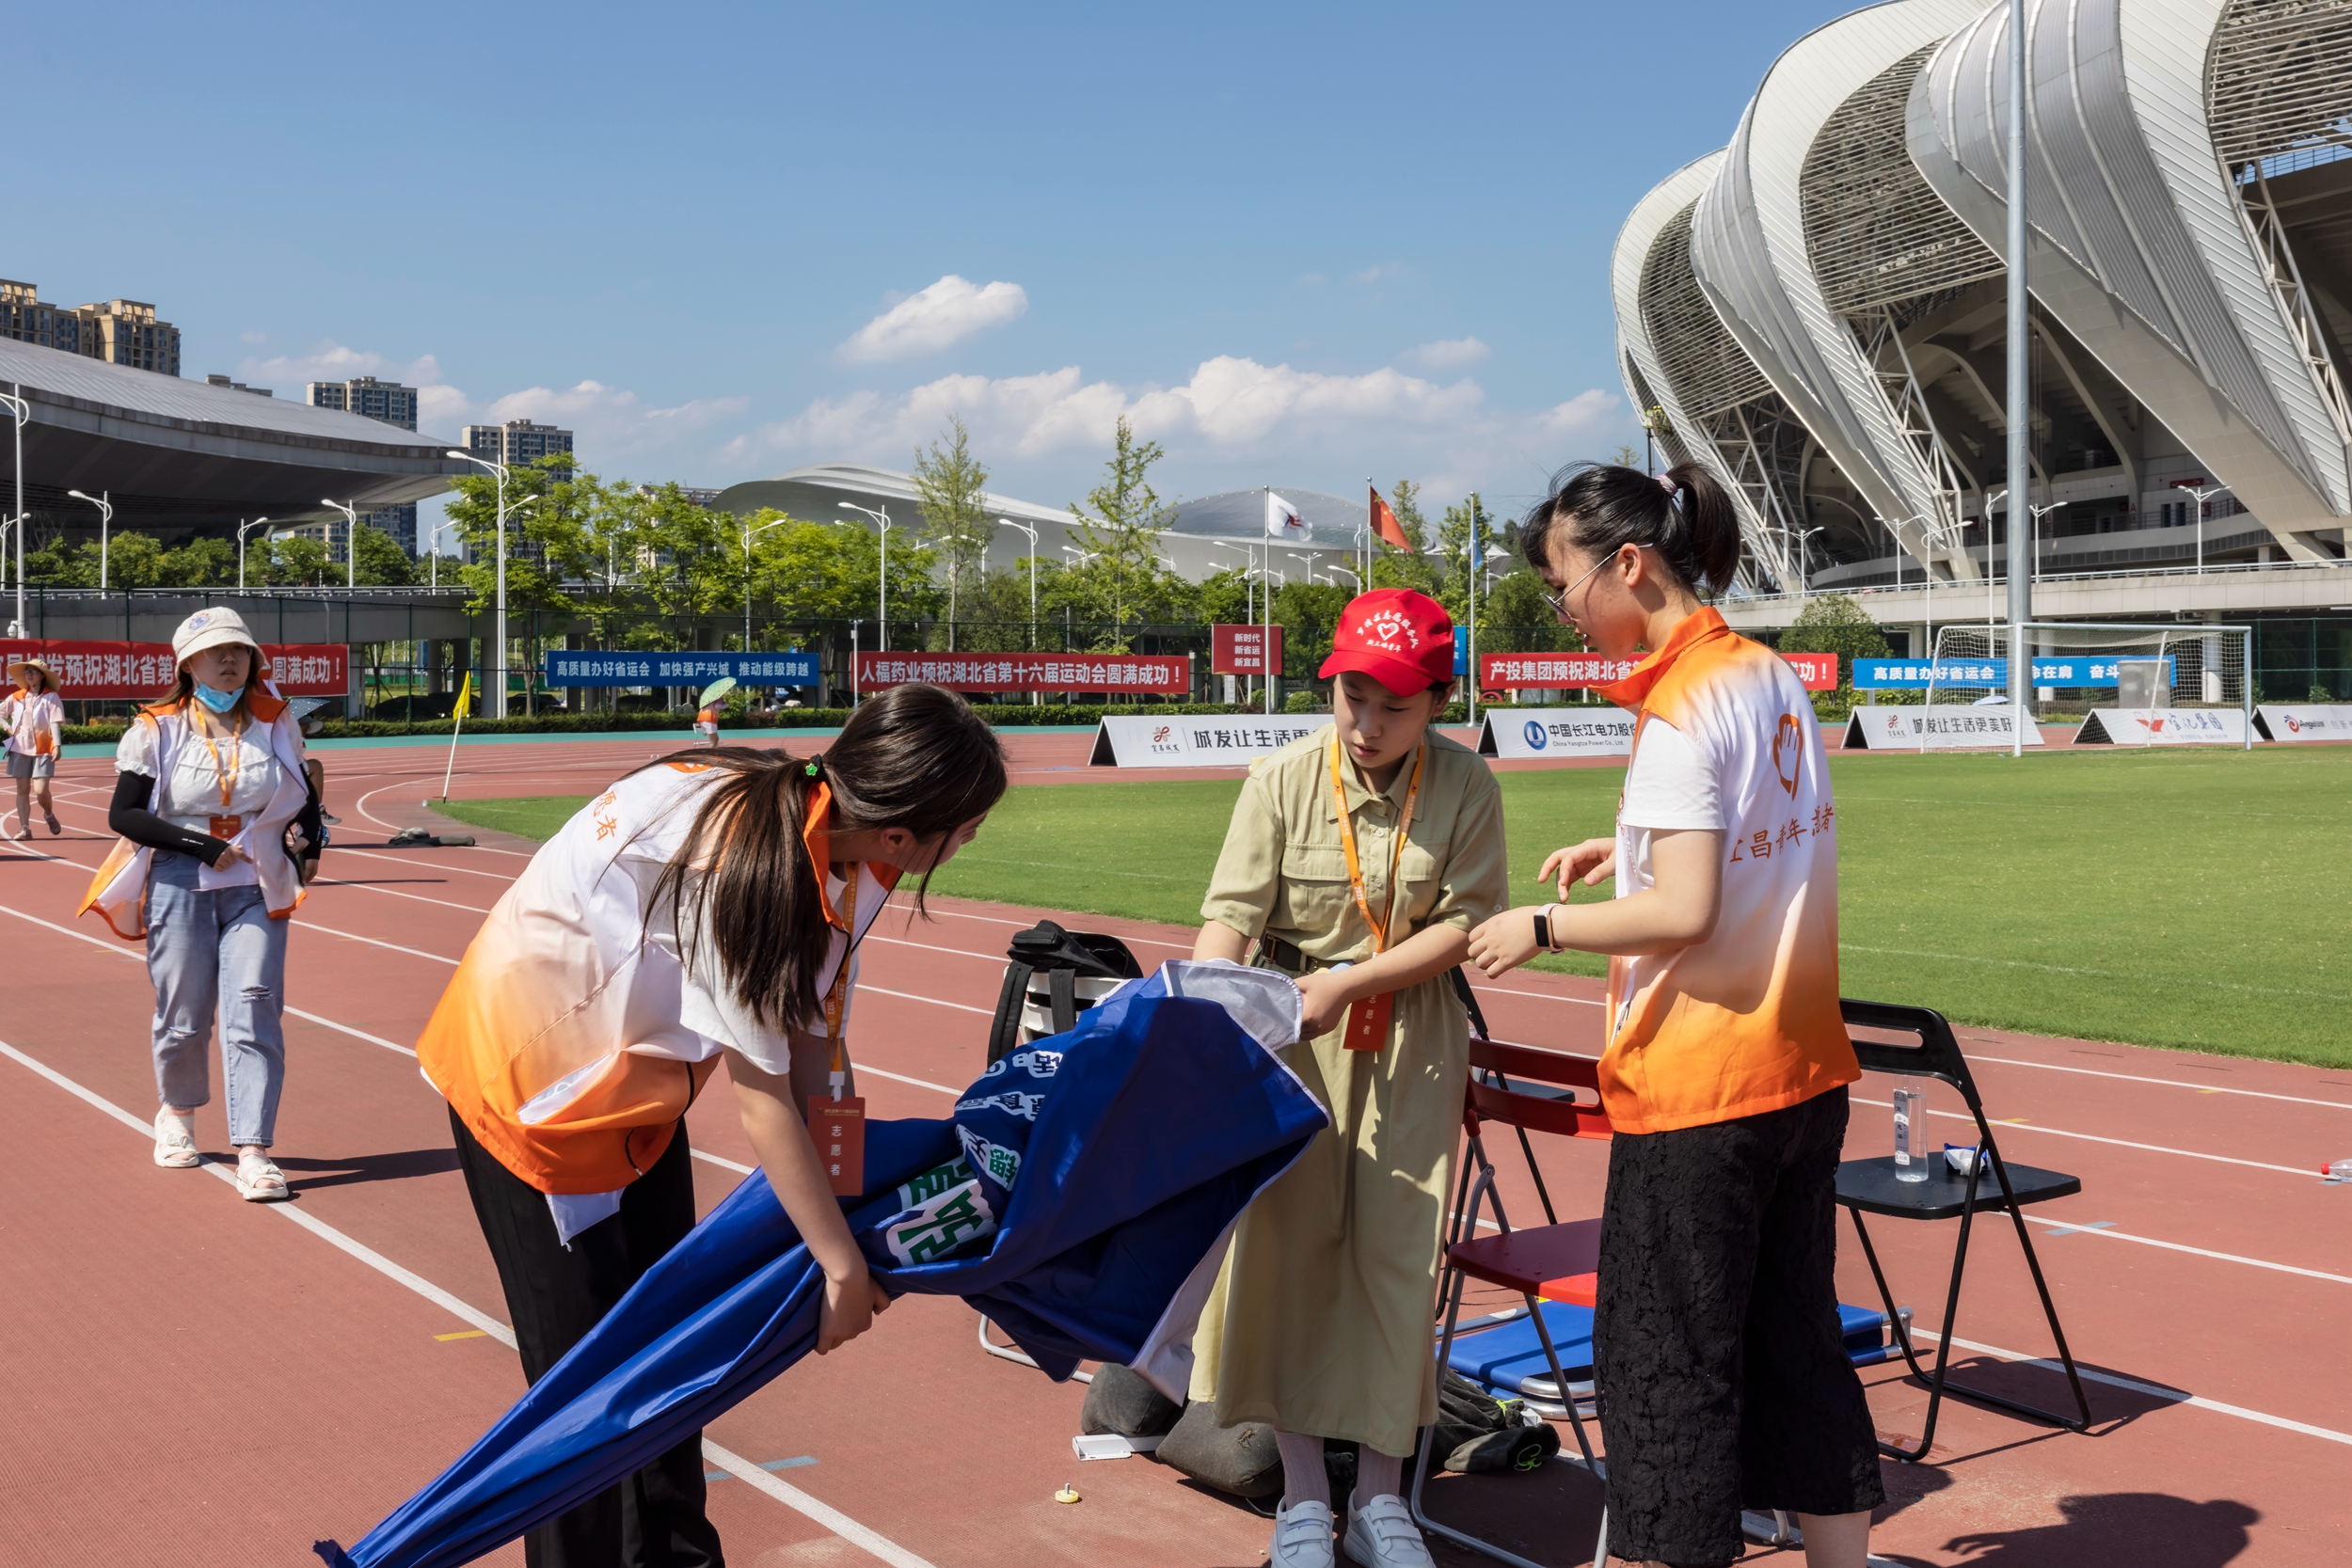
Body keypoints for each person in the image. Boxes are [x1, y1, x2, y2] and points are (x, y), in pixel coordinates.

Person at [416, 682, 1007, 1568]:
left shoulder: (843, 845)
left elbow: (818, 1043)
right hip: (532, 1098)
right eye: (965, 830)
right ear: (899, 831)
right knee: (583, 1402)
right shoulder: (744, 869)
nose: (969, 844)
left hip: (634, 1095)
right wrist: (840, 1264)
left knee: (673, 1361)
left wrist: (846, 1210)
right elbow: (764, 1094)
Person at [1465, 461, 1880, 1568]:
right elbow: (1744, 838)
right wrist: (1628, 848)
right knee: (1796, 1339)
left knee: (1665, 1365)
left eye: (1561, 583)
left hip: (1702, 1090)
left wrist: (1543, 924)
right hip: (1803, 1069)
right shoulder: (1766, 672)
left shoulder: (1678, 706)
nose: (1560, 608)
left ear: (1627, 564)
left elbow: (1685, 910)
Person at [1187, 588, 1509, 1568]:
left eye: (1394, 706)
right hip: (1292, 1034)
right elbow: (1229, 917)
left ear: (1439, 701)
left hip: (1411, 1039)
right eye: (1351, 698)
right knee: (1287, 1255)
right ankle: (1300, 1498)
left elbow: (1466, 924)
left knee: (1394, 1262)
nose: (1367, 724)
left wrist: (1350, 982)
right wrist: (1205, 1016)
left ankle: (1379, 1499)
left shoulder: (1466, 784)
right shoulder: (1281, 779)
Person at [81, 608, 325, 1202]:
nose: (229, 659)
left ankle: (254, 1150)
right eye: (215, 651)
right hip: (179, 879)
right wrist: (202, 846)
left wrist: (312, 843)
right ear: (188, 664)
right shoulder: (156, 729)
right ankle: (178, 1113)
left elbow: (303, 794)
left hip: (256, 883)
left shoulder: (274, 721)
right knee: (184, 1013)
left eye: (239, 650)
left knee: (255, 1007)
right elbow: (124, 815)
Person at [3, 655, 66, 839]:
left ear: (42, 675)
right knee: (22, 789)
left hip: (44, 748)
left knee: (40, 790)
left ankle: (48, 814)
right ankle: (24, 828)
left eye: (34, 672)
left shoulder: (51, 697)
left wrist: (57, 745)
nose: (29, 675)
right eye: (27, 672)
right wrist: (8, 728)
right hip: (19, 747)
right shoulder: (17, 697)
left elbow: (54, 721)